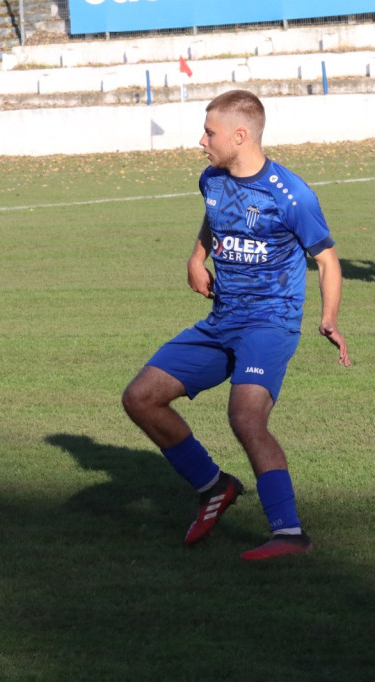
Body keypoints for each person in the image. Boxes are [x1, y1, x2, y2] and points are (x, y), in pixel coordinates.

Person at [122, 89, 350, 561]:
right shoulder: (212, 179)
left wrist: (328, 320)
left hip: (271, 322)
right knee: (141, 398)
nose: (200, 140)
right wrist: (196, 255)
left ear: (240, 136)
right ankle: (213, 486)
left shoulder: (291, 194)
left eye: (210, 132)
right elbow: (214, 220)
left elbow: (327, 260)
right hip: (223, 319)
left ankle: (290, 534)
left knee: (246, 417)